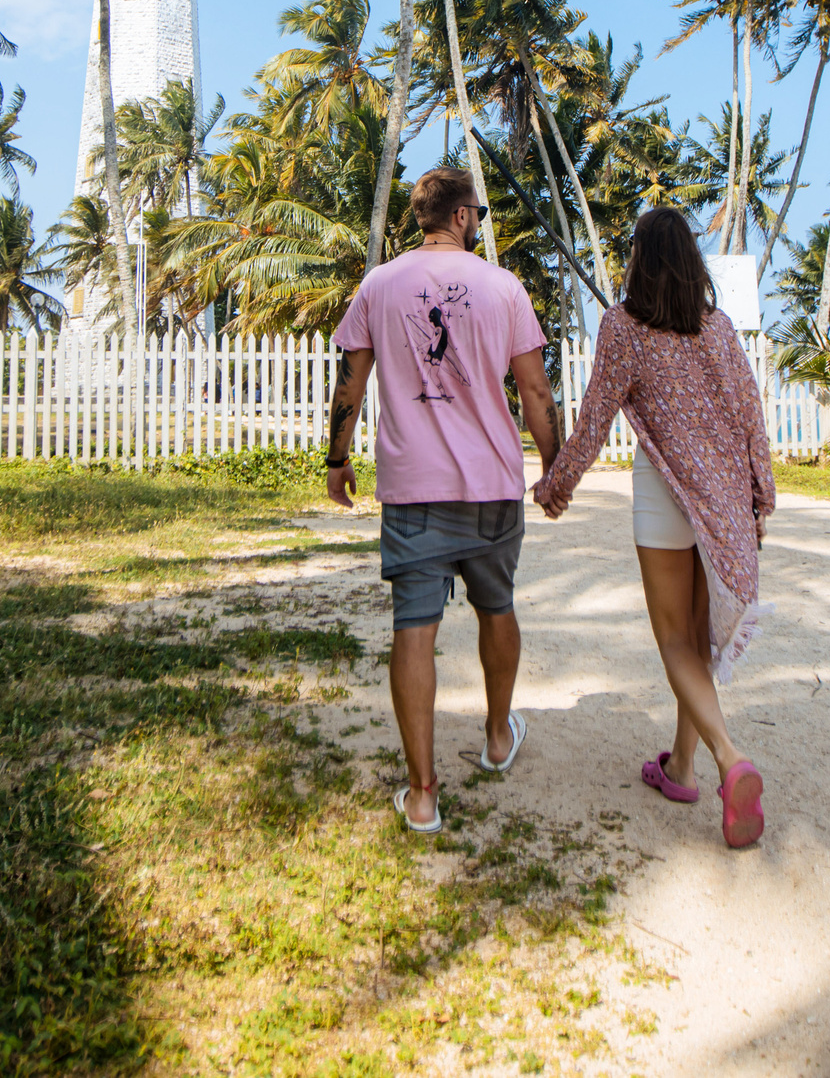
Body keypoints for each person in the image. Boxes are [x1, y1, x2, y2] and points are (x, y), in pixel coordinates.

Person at [326, 167, 563, 833]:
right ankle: (495, 734)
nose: (481, 222)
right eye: (479, 213)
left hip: (414, 491)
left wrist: (338, 459)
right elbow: (536, 393)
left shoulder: (379, 284)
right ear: (461, 216)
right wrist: (553, 468)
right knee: (498, 607)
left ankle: (424, 793)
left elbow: (351, 385)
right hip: (491, 485)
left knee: (415, 629)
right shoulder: (503, 286)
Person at [532, 208, 776, 849]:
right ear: (693, 262)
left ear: (639, 257)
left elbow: (594, 419)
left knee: (674, 641)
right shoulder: (718, 327)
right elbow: (751, 412)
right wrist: (760, 495)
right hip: (723, 500)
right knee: (696, 642)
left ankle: (727, 759)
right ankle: (683, 767)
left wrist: (557, 485)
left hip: (665, 495)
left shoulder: (622, 326)